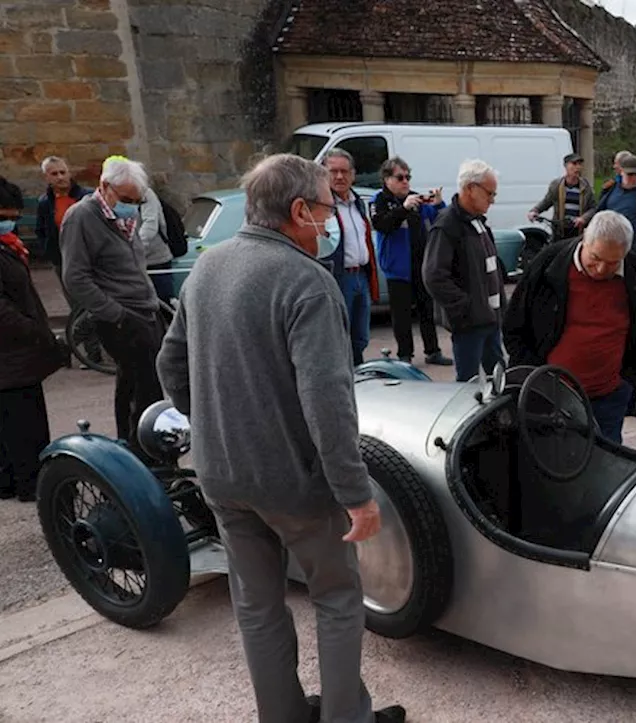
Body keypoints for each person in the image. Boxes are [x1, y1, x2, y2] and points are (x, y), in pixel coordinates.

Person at [156, 153, 405, 723]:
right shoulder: (307, 283)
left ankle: (283, 715)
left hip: (221, 474)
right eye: (328, 208)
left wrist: (214, 425)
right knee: (338, 600)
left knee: (258, 605)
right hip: (294, 483)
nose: (332, 219)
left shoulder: (208, 266)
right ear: (300, 212)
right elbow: (328, 403)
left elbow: (170, 363)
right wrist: (356, 496)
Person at [503, 210, 636, 443]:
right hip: (549, 395)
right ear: (584, 238)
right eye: (595, 258)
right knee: (548, 462)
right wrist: (533, 376)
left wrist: (628, 376)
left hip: (609, 396)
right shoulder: (548, 264)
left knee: (606, 462)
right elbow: (514, 325)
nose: (602, 269)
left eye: (613, 263)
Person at [60, 156, 166, 454]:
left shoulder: (122, 214)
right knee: (144, 387)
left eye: (137, 200)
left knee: (136, 384)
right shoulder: (81, 217)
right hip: (122, 315)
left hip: (144, 309)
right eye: (127, 199)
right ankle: (143, 455)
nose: (132, 205)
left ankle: (135, 448)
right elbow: (76, 278)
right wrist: (117, 314)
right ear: (104, 187)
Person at [0, 177, 66, 503]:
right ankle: (29, 483)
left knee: (18, 424)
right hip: (11, 355)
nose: (8, 222)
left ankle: (16, 479)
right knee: (23, 427)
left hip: (17, 355)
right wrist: (34, 330)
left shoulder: (8, 245)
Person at [423, 159, 508, 382]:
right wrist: (466, 308)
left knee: (499, 379)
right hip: (470, 324)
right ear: (470, 188)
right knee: (467, 386)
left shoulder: (478, 222)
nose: (492, 200)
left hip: (490, 320)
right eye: (489, 193)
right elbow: (434, 275)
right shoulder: (447, 224)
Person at [370, 157, 452, 367]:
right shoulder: (379, 199)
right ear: (387, 179)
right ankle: (405, 355)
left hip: (420, 264)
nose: (405, 182)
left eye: (408, 177)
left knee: (427, 311)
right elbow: (382, 224)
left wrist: (439, 204)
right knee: (401, 315)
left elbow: (439, 222)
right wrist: (403, 209)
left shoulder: (416, 199)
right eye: (400, 177)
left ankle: (433, 351)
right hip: (397, 268)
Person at [320, 148, 379, 365]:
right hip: (339, 277)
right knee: (339, 336)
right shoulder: (322, 206)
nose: (339, 176)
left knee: (361, 337)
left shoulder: (358, 203)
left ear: (353, 174)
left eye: (344, 171)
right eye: (333, 171)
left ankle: (358, 374)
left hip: (360, 276)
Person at [34, 156, 92, 278]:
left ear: (69, 174)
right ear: (46, 177)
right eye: (54, 174)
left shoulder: (87, 197)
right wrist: (48, 250)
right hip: (61, 259)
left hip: (89, 257)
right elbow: (41, 229)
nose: (60, 177)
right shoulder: (45, 202)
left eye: (63, 172)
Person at [528, 152, 596, 240]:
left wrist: (583, 218)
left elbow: (593, 208)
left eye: (579, 164)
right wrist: (535, 211)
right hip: (559, 231)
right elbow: (547, 202)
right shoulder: (556, 185)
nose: (577, 167)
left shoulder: (585, 186)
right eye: (574, 164)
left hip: (577, 231)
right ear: (566, 166)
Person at [137, 187, 174, 302]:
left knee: (163, 303)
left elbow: (150, 225)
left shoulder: (145, 194)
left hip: (156, 260)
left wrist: (132, 249)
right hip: (135, 261)